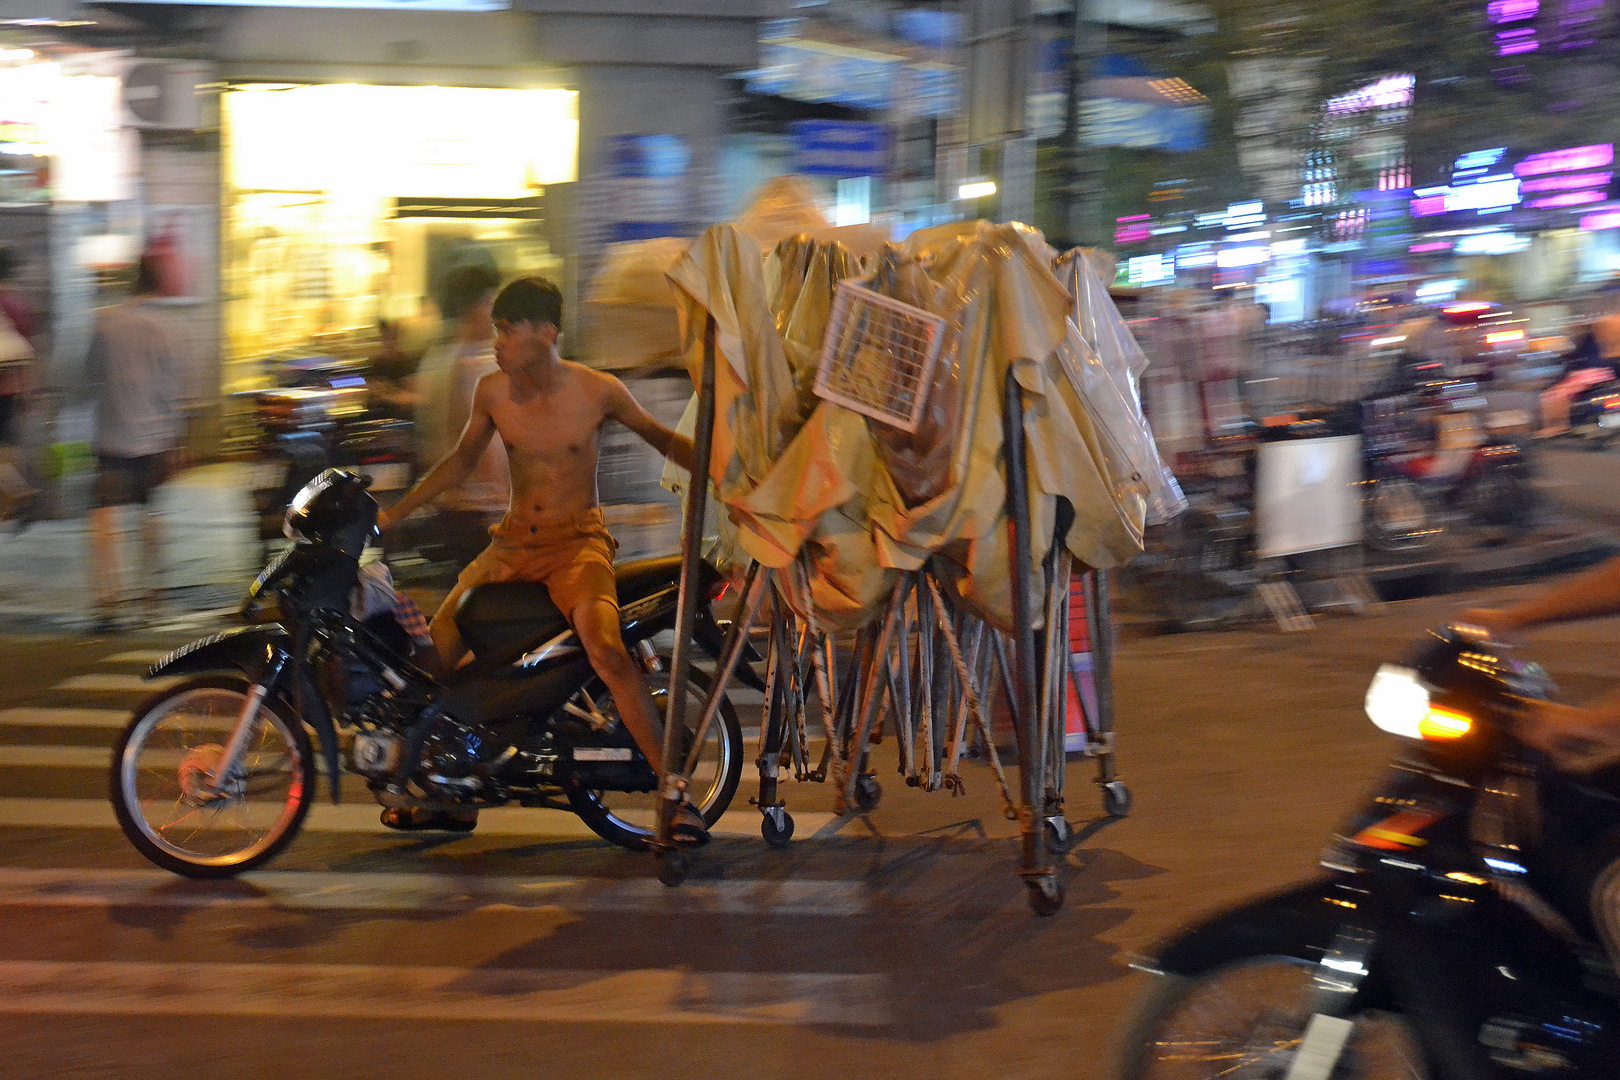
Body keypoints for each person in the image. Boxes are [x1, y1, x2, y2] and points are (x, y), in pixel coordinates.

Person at [377, 276, 707, 842]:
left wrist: (725, 471)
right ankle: (447, 793)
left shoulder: (597, 390)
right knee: (435, 654)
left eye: (508, 331)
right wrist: (392, 514)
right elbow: (458, 464)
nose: (498, 342)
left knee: (606, 648)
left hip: (576, 547)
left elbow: (659, 437)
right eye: (498, 330)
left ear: (546, 332)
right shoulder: (491, 391)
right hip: (509, 547)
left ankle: (673, 793)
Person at [85, 255, 190, 633]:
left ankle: (107, 599)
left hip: (112, 436)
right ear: (157, 285)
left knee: (103, 516)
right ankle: (152, 594)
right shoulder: (166, 328)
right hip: (154, 439)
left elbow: (89, 377)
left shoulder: (106, 324)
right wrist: (176, 441)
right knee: (150, 514)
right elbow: (173, 389)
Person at [411, 264, 507, 565]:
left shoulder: (436, 359)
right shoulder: (472, 366)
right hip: (482, 514)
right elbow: (482, 447)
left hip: (451, 509)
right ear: (474, 307)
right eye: (491, 303)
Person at [0, 245, 40, 520]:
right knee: (9, 442)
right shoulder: (19, 304)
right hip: (13, 386)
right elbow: (28, 348)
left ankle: (17, 492)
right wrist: (29, 390)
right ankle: (12, 503)